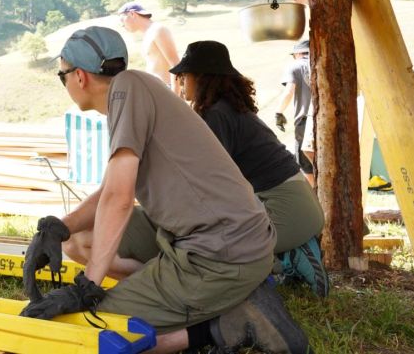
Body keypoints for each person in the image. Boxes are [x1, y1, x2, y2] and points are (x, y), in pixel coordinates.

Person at [21, 27, 309, 354]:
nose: (66, 84)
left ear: (80, 77)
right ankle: (183, 294)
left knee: (97, 330)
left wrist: (88, 285)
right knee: (78, 237)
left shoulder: (127, 90)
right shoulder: (135, 90)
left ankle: (227, 323)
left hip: (221, 254)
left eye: (63, 76)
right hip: (219, 239)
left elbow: (119, 199)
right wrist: (59, 228)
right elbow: (109, 192)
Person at [170, 40, 328, 297]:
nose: (180, 82)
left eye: (183, 76)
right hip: (296, 205)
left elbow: (204, 181)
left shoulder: (216, 115)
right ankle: (286, 257)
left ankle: (291, 257)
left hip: (288, 211)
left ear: (200, 78)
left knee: (212, 247)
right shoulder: (229, 109)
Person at [116, 2, 180, 93]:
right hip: (157, 90)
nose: (122, 25)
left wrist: (175, 96)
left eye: (122, 20)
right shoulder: (147, 34)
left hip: (167, 89)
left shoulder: (158, 30)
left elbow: (176, 64)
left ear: (132, 14)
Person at [277, 40, 315, 184]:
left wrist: (279, 112)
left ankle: (315, 197)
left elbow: (289, 91)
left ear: (298, 53)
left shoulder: (294, 66)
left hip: (305, 119)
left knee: (305, 165)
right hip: (326, 119)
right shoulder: (321, 63)